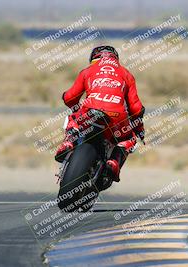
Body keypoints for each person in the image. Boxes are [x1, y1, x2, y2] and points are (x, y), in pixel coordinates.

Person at [55, 45, 145, 182]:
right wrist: (139, 129)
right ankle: (114, 161)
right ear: (115, 58)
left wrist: (75, 108)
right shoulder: (127, 74)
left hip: (90, 110)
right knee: (129, 138)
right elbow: (136, 109)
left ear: (93, 58)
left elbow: (69, 98)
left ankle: (68, 143)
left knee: (72, 119)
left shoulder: (87, 71)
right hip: (117, 117)